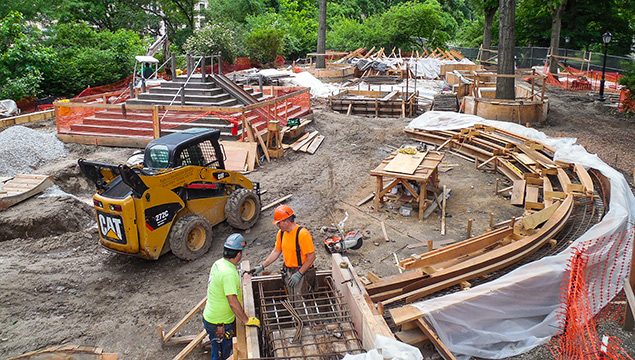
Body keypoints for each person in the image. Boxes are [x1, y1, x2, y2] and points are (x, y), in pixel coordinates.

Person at [202, 233, 260, 360]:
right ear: (239, 254)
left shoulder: (219, 263)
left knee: (217, 347)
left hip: (211, 317)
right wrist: (246, 320)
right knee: (224, 353)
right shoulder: (228, 273)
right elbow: (233, 302)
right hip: (220, 323)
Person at [251, 205, 317, 300]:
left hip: (303, 272)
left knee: (301, 300)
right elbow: (276, 251)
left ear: (287, 221)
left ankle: (303, 315)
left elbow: (311, 257)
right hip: (289, 270)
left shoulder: (302, 234)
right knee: (292, 296)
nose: (277, 225)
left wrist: (299, 273)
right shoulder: (281, 233)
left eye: (279, 223)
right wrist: (262, 266)